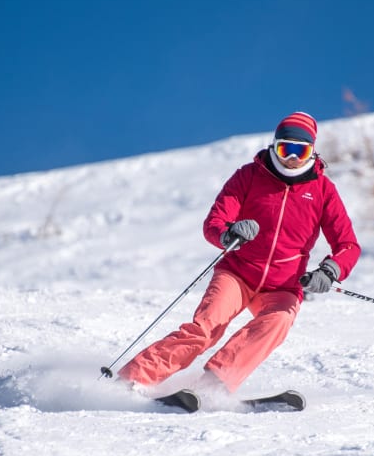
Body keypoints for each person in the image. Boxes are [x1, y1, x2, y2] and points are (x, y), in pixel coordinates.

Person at [117, 111, 361, 404]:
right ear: (275, 146)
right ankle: (132, 379)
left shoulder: (322, 190)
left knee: (278, 321)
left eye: (301, 151)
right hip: (238, 273)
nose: (292, 158)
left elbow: (348, 244)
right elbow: (215, 221)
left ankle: (213, 385)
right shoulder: (249, 176)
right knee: (204, 329)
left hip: (283, 284)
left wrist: (330, 270)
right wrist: (228, 233)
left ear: (312, 152)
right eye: (286, 148)